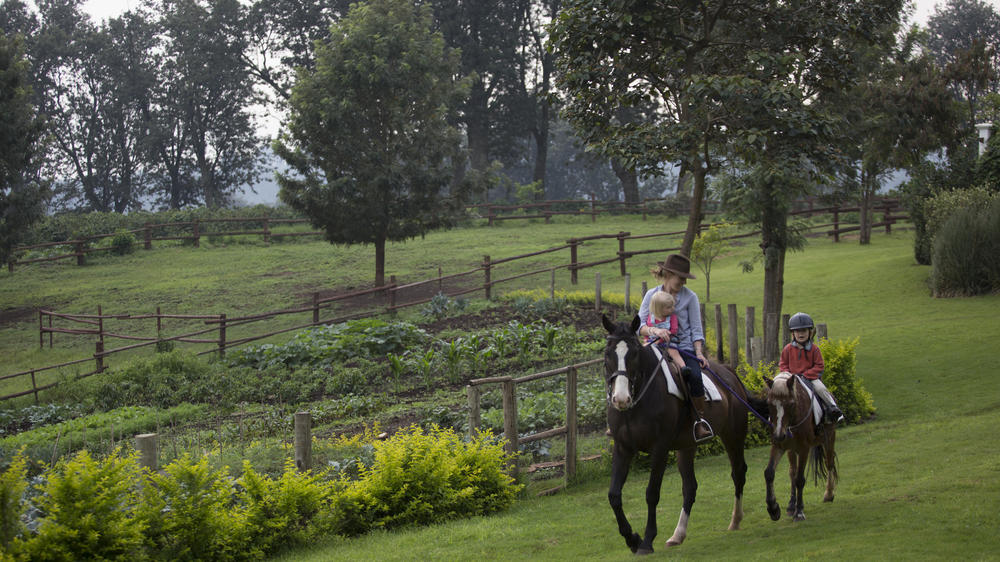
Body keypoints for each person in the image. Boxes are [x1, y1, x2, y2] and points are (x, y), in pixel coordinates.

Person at [637, 253, 714, 442]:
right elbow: (640, 326)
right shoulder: (651, 295)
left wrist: (698, 353)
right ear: (669, 274)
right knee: (629, 372)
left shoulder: (690, 298)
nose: (683, 282)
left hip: (684, 347)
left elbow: (696, 329)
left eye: (685, 279)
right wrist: (654, 331)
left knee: (695, 377)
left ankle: (699, 422)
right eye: (681, 278)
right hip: (654, 346)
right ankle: (623, 419)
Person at [779, 312, 844, 424]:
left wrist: (806, 375)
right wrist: (788, 375)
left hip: (810, 379)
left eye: (804, 331)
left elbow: (819, 366)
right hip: (792, 379)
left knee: (821, 388)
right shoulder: (787, 349)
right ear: (793, 333)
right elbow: (783, 364)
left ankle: (833, 409)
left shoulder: (814, 349)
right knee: (776, 390)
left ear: (810, 332)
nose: (801, 334)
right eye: (798, 331)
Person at [645, 290, 686, 374]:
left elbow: (674, 330)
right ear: (659, 309)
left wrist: (662, 339)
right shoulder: (651, 318)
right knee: (642, 349)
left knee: (674, 352)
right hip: (653, 341)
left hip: (668, 341)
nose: (672, 309)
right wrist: (646, 339)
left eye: (672, 306)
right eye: (669, 307)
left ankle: (683, 367)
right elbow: (648, 330)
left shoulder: (672, 317)